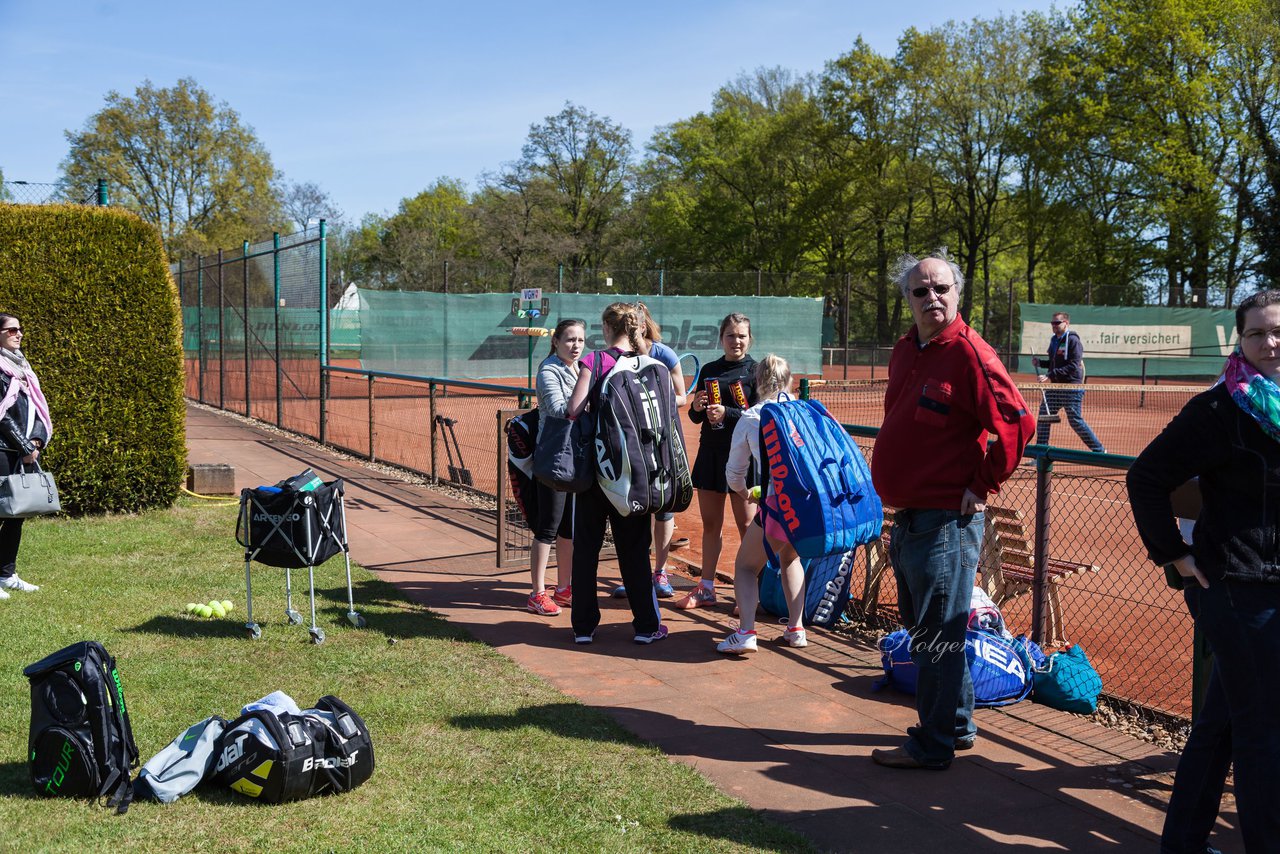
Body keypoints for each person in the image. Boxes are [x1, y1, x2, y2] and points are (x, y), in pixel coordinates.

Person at [1127, 288, 1280, 854]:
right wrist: (1175, 554)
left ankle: (1184, 842)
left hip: (1272, 584)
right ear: (1239, 339)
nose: (1270, 342)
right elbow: (1146, 478)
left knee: (1221, 724)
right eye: (1257, 332)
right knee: (1264, 729)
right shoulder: (1220, 409)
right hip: (1237, 586)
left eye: (1277, 331)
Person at [869, 252, 1035, 770]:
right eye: (921, 291)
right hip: (910, 516)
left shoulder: (970, 353)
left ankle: (933, 744)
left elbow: (1017, 424)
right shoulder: (905, 351)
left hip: (946, 522)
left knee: (937, 639)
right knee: (931, 633)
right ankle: (957, 725)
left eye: (942, 288)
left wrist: (982, 484)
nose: (932, 298)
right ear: (909, 299)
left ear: (958, 294)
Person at [565, 303, 667, 645]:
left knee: (587, 550)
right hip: (634, 475)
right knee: (635, 550)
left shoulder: (594, 362)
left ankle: (583, 627)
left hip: (596, 473)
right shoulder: (653, 365)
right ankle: (646, 627)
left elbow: (572, 410)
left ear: (607, 328)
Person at [716, 354, 809, 653]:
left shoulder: (753, 416)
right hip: (807, 504)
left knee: (745, 566)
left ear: (757, 382)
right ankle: (796, 629)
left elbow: (734, 472)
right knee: (791, 558)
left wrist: (745, 493)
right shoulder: (804, 411)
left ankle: (746, 632)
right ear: (790, 381)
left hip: (775, 504)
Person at [676, 313, 757, 610]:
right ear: (721, 338)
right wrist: (697, 407)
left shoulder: (756, 371)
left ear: (749, 339)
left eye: (741, 336)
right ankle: (706, 587)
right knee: (712, 524)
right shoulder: (710, 369)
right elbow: (698, 416)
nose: (736, 341)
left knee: (748, 526)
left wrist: (729, 414)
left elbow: (761, 416)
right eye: (730, 335)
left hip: (745, 458)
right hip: (711, 454)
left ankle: (749, 594)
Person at [612, 302, 688, 599]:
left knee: (665, 508)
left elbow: (682, 397)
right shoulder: (618, 356)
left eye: (635, 327)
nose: (631, 333)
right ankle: (636, 574)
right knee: (636, 506)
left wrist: (661, 400)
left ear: (643, 327)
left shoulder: (663, 354)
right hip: (633, 442)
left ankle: (661, 573)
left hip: (665, 440)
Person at [526, 319, 585, 616]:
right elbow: (562, 410)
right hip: (553, 458)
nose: (576, 346)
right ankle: (537, 593)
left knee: (568, 529)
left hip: (576, 459)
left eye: (580, 341)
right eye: (570, 340)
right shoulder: (549, 369)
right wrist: (588, 387)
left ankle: (563, 588)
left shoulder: (579, 369)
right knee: (547, 528)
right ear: (556, 342)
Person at [0, 314, 51, 599]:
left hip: (21, 449)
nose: (19, 334)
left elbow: (37, 408)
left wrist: (36, 440)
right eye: (11, 330)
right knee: (0, 510)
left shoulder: (22, 368)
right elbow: (2, 416)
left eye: (20, 329)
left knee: (15, 514)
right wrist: (24, 446)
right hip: (3, 450)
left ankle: (6, 574)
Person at [1033, 311, 1105, 453]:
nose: (1053, 325)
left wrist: (1049, 374)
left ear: (1066, 323)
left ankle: (1099, 451)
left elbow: (1073, 365)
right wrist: (1040, 363)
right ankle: (1040, 455)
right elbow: (1054, 363)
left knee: (1075, 421)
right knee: (1043, 417)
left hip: (1071, 387)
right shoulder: (1054, 340)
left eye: (1057, 323)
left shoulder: (1073, 341)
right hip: (1055, 387)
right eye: (1052, 323)